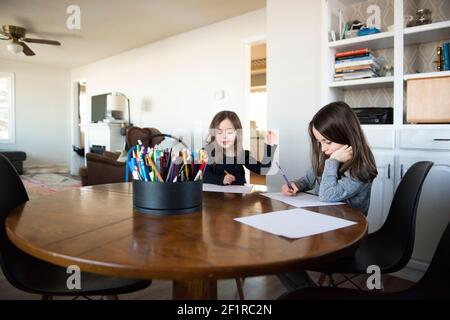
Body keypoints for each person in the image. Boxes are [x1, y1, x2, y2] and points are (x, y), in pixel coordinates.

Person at [281, 101, 377, 216]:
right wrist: (295, 185)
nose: (323, 149)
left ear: (346, 135)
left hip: (348, 227)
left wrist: (333, 162)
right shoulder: (329, 155)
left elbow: (327, 195)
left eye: (327, 142)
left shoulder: (362, 167)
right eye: (320, 142)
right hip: (324, 218)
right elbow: (308, 180)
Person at [203, 110, 277, 185]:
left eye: (229, 132)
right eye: (219, 132)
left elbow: (263, 170)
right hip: (214, 195)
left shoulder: (242, 155)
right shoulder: (210, 153)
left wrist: (269, 146)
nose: (224, 137)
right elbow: (203, 176)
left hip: (238, 195)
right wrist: (222, 179)